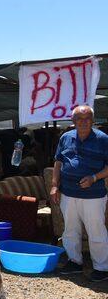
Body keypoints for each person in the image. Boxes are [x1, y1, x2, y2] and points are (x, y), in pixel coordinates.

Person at [50, 105, 108, 282]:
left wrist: (94, 177)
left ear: (93, 120)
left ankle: (102, 268)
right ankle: (75, 261)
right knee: (70, 230)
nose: (83, 122)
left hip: (94, 195)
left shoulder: (103, 139)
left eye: (87, 118)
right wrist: (54, 185)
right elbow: (58, 162)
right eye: (79, 119)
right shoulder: (66, 138)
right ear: (73, 121)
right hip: (68, 193)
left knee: (96, 231)